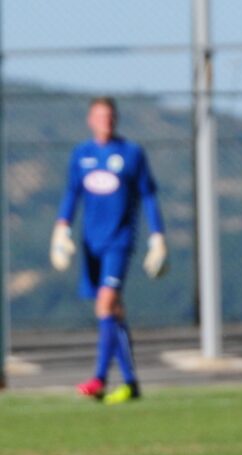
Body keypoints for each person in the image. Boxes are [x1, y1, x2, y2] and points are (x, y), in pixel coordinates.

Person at [51, 96, 168, 404]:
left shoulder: (131, 153)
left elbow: (149, 196)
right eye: (100, 116)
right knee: (112, 311)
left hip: (120, 241)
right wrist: (61, 228)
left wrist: (158, 237)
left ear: (116, 119)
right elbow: (71, 194)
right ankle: (130, 383)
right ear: (90, 120)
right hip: (92, 244)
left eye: (110, 116)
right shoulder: (81, 155)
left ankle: (99, 379)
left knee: (106, 303)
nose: (106, 121)